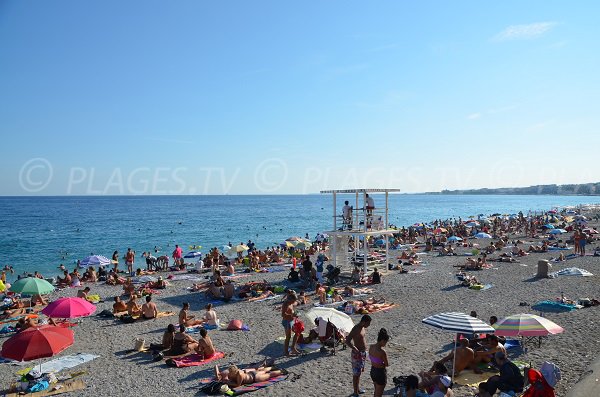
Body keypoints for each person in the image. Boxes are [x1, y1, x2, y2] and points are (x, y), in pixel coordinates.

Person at [346, 314, 372, 397]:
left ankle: (357, 389)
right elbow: (347, 340)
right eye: (368, 323)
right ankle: (355, 392)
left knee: (359, 372)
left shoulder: (363, 328)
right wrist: (353, 348)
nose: (369, 325)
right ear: (364, 322)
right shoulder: (355, 329)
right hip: (357, 354)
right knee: (356, 374)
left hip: (363, 353)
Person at [215, 364, 284, 387]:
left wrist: (228, 382)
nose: (229, 373)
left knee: (269, 375)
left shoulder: (240, 375)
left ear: (234, 372)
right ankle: (272, 367)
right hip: (252, 373)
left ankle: (281, 371)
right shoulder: (234, 372)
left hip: (255, 378)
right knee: (264, 371)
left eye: (230, 372)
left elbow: (238, 385)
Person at [369, 328, 390, 397]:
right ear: (382, 341)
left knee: (376, 391)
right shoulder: (382, 352)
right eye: (385, 342)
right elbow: (387, 364)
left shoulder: (371, 347)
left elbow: (372, 359)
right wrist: (382, 365)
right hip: (380, 373)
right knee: (379, 394)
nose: (385, 344)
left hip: (373, 371)